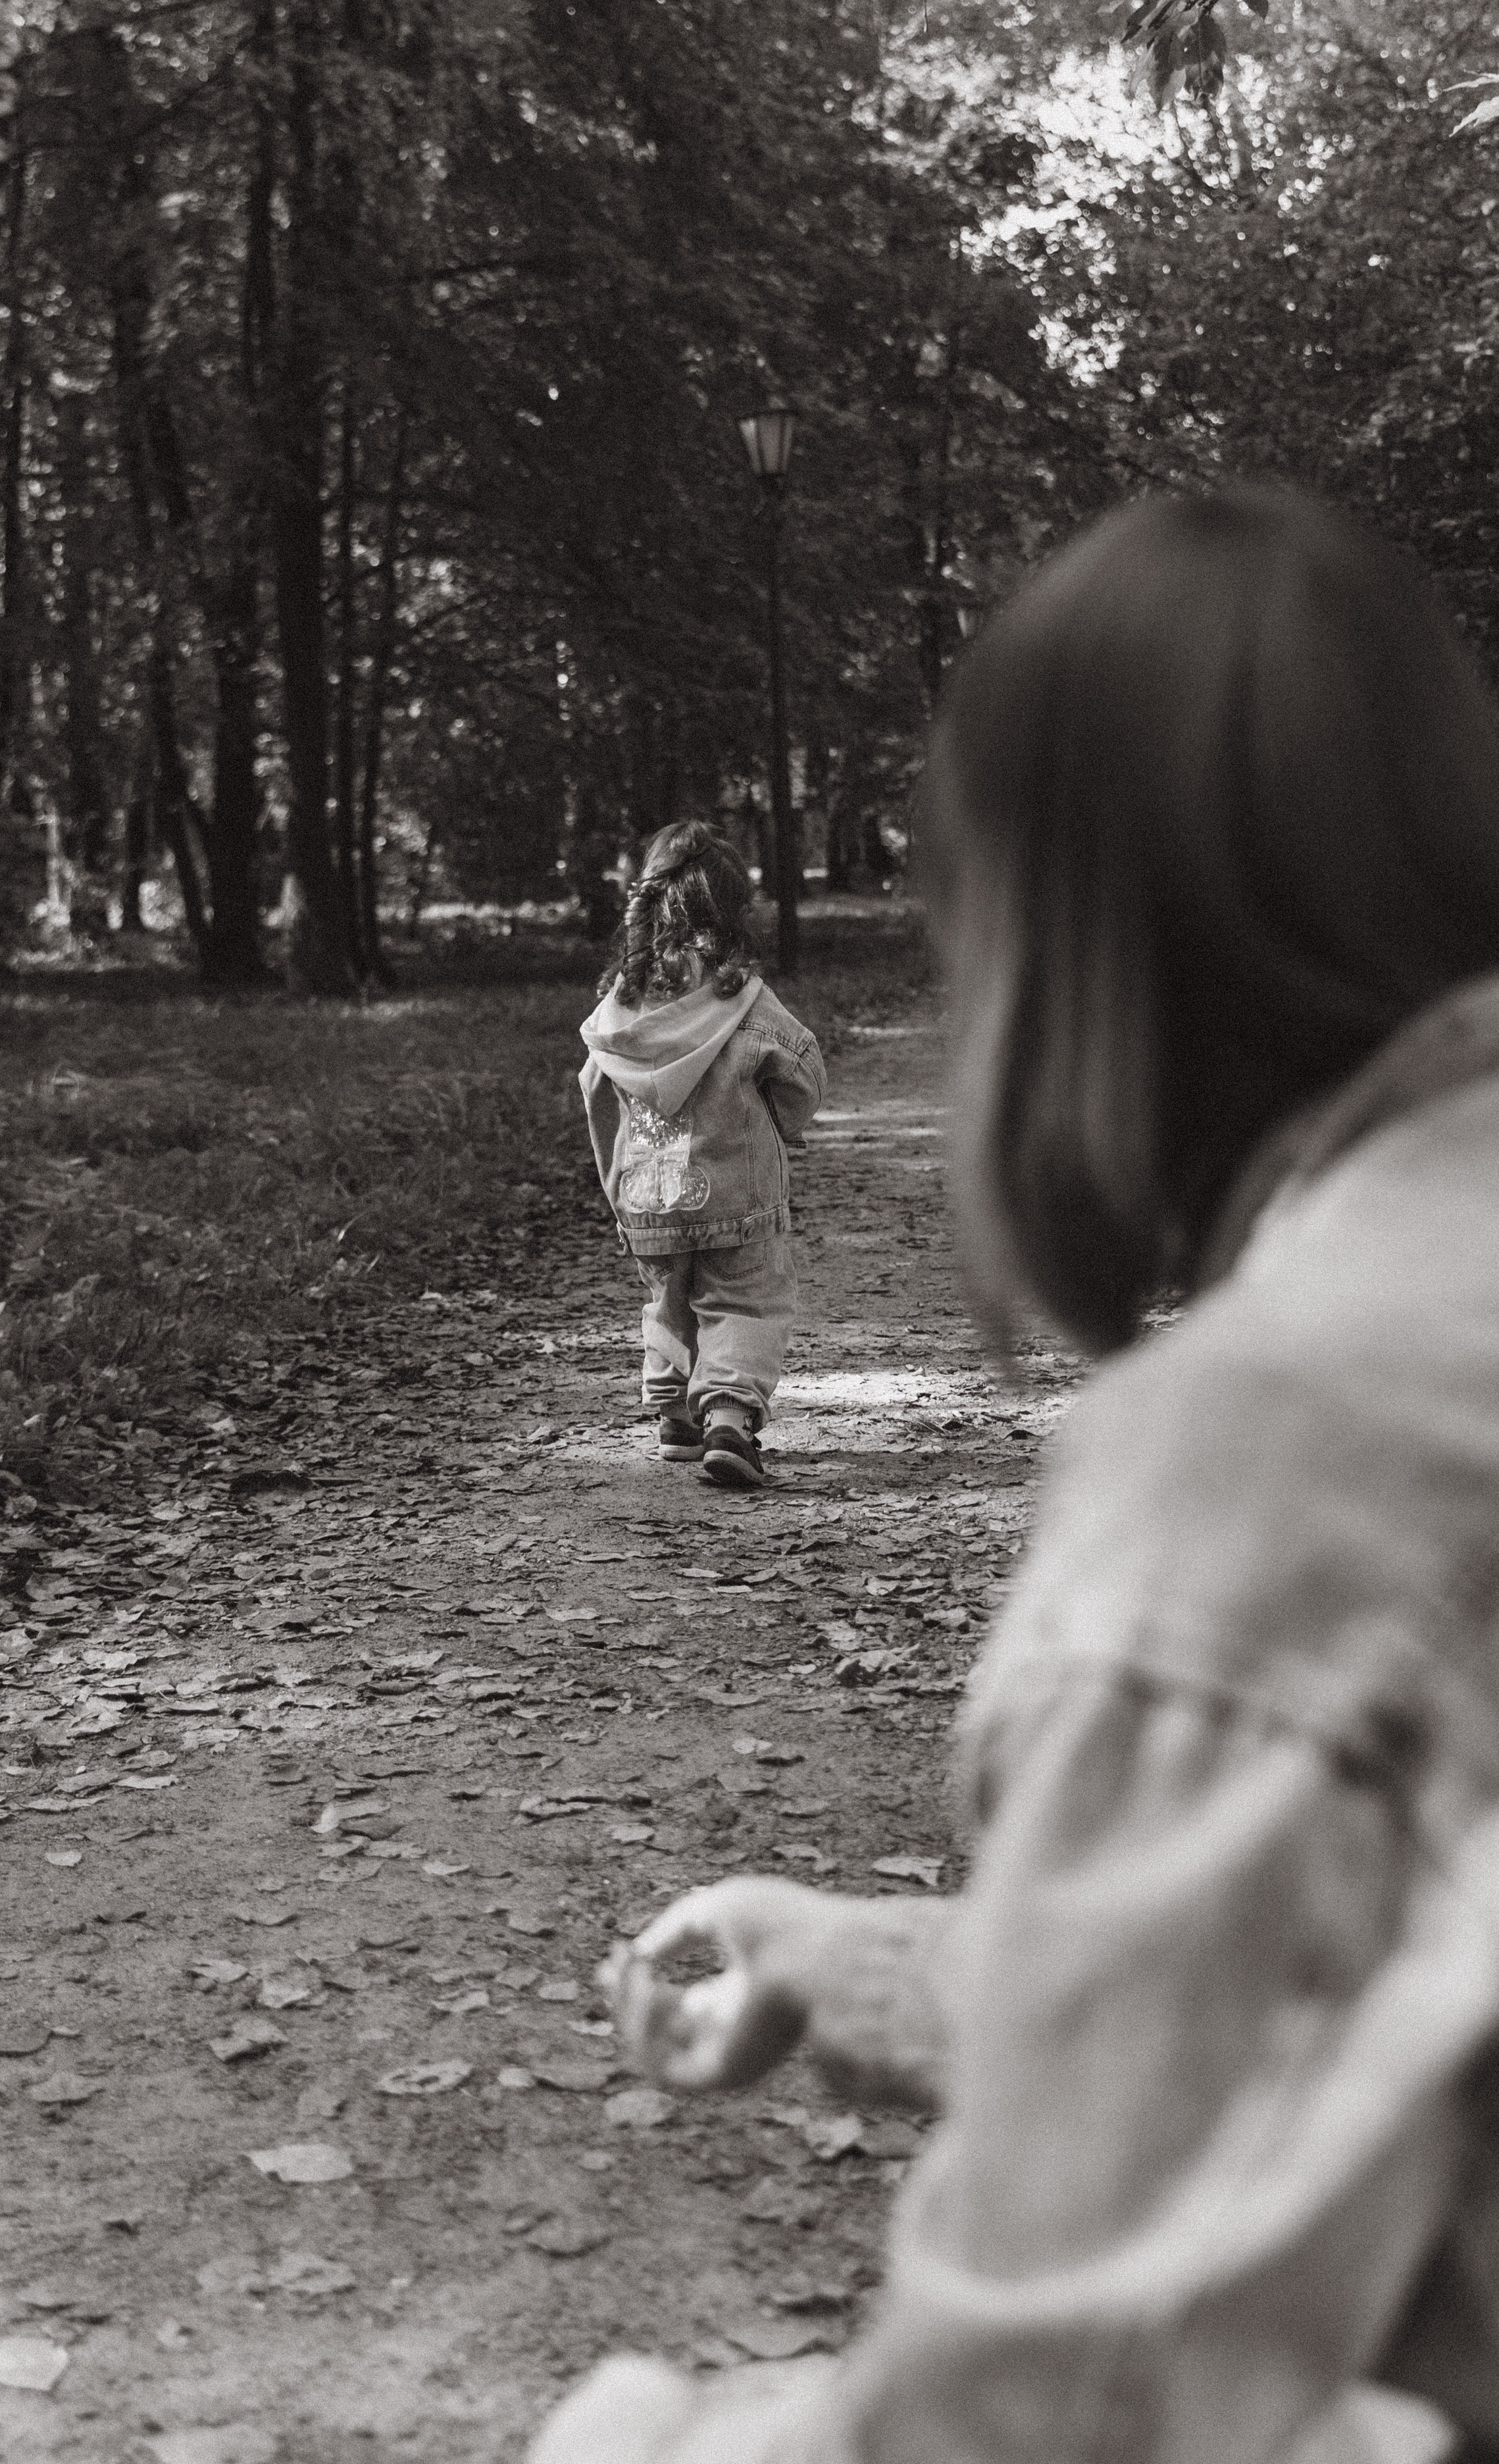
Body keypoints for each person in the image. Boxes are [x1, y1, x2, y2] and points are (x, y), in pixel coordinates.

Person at [532, 484, 1499, 2464]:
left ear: (1061, 958)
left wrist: (668, 2441)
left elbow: (1076, 2406)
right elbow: (1372, 1958)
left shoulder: (1281, 1441)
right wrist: (890, 1970)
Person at [579, 821, 827, 1491]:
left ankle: (675, 1418)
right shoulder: (738, 994)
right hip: (737, 1193)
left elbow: (597, 1093)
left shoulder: (620, 1007)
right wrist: (785, 1121)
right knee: (745, 1301)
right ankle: (728, 1419)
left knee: (670, 1298)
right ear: (735, 910)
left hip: (652, 1195)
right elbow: (802, 1071)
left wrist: (618, 1186)